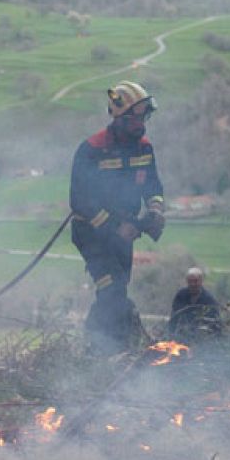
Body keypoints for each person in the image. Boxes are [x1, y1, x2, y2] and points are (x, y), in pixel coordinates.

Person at [69, 81, 165, 354]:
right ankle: (105, 348)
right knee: (111, 286)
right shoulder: (92, 149)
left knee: (116, 290)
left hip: (125, 232)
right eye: (136, 118)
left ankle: (100, 346)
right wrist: (114, 227)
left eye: (144, 118)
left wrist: (155, 210)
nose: (141, 124)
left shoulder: (144, 148)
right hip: (91, 233)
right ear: (119, 117)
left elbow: (153, 187)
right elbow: (79, 201)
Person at [167, 266, 223, 339]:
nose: (193, 284)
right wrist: (171, 335)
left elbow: (216, 324)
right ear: (187, 281)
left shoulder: (209, 300)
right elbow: (174, 317)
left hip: (202, 338)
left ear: (201, 281)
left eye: (195, 281)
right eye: (190, 281)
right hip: (181, 336)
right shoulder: (180, 295)